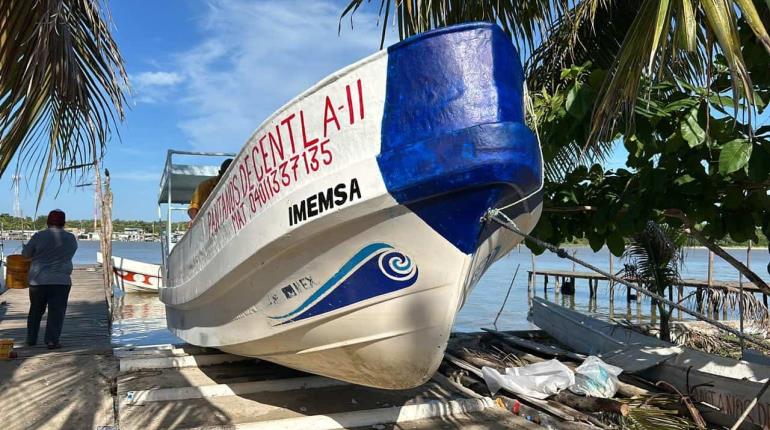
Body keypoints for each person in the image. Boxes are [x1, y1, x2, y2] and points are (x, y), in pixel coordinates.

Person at [22, 209, 78, 349]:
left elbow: (26, 255)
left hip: (38, 280)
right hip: (61, 281)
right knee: (56, 312)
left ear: (48, 222)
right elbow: (70, 253)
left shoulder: (39, 236)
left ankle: (31, 339)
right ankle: (52, 341)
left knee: (35, 310)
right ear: (63, 223)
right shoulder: (70, 238)